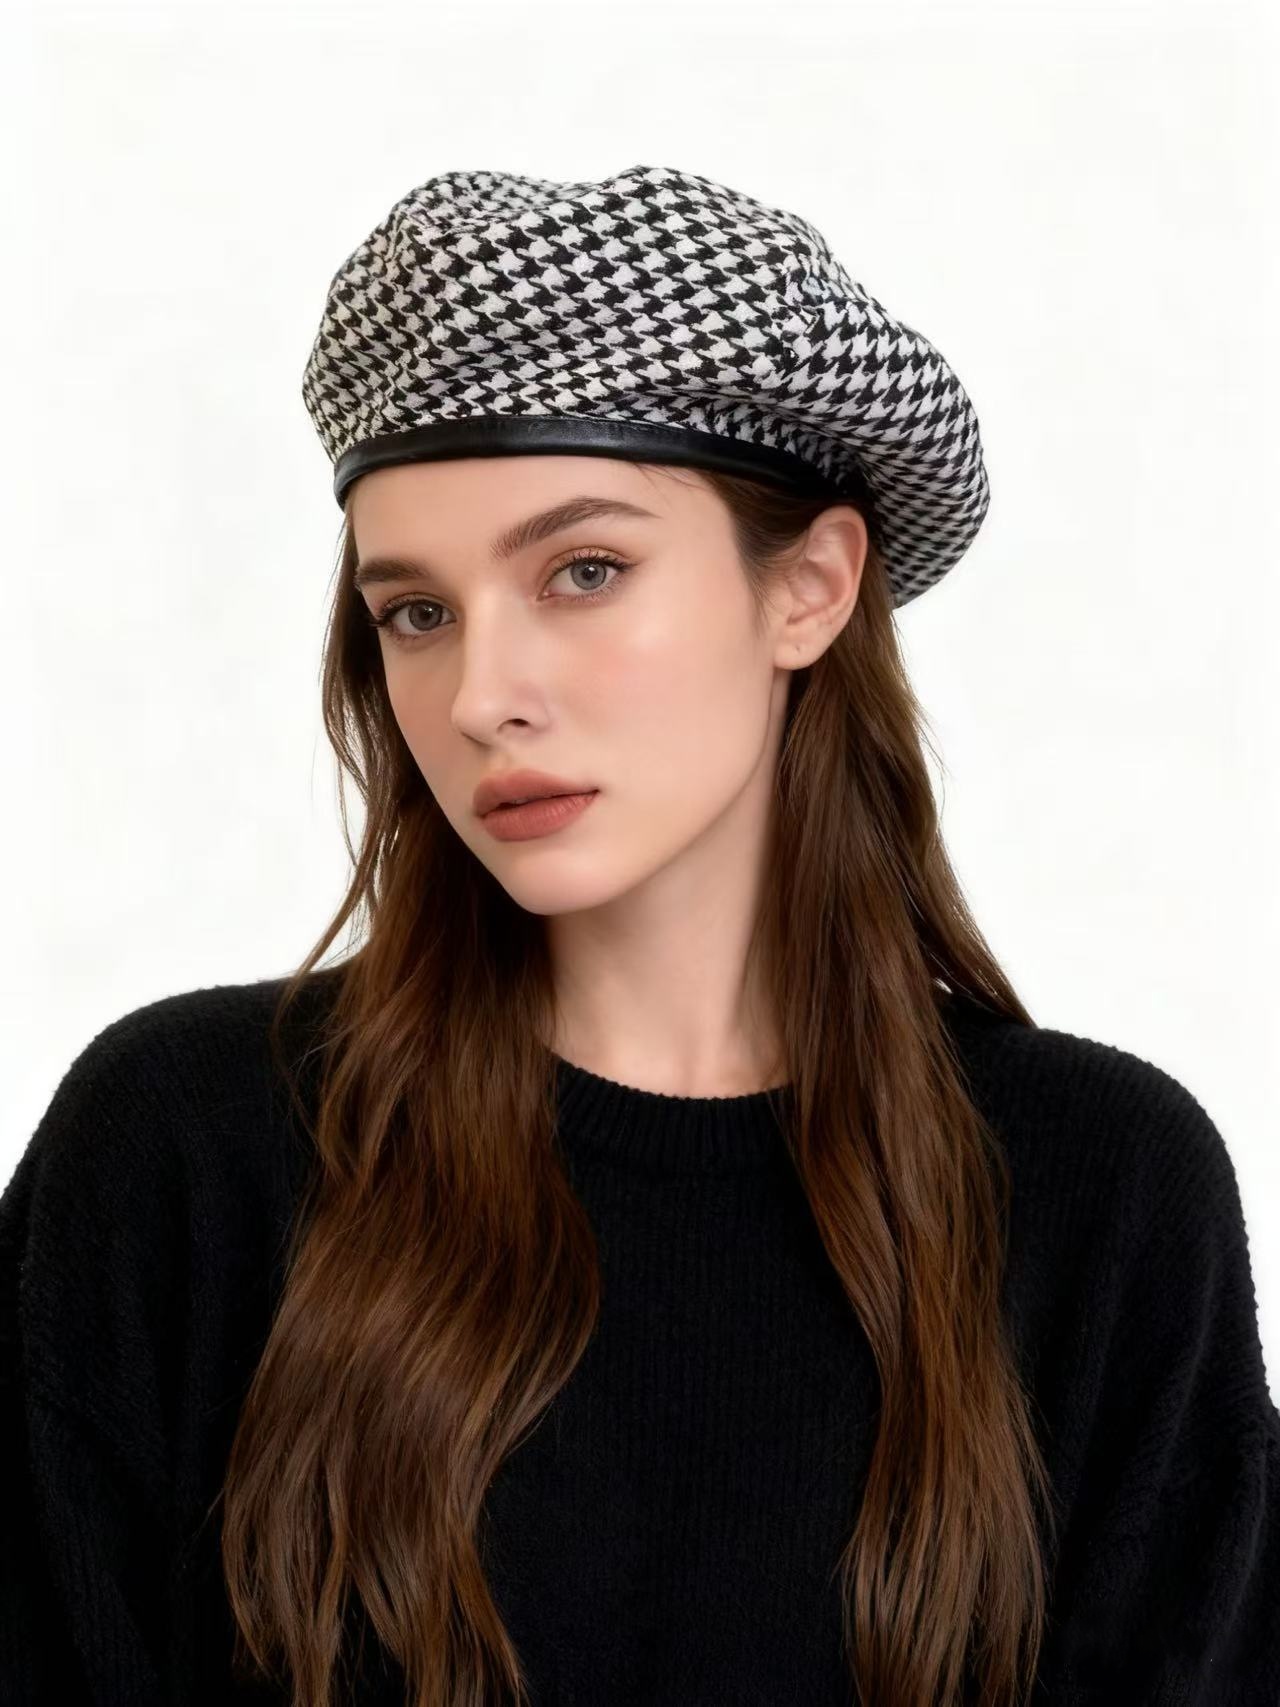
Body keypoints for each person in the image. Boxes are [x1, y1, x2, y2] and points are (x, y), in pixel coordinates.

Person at [2, 162, 1277, 1707]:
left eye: (584, 572)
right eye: (417, 612)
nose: (483, 697)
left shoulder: (1097, 1193)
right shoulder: (184, 1149)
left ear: (810, 588)